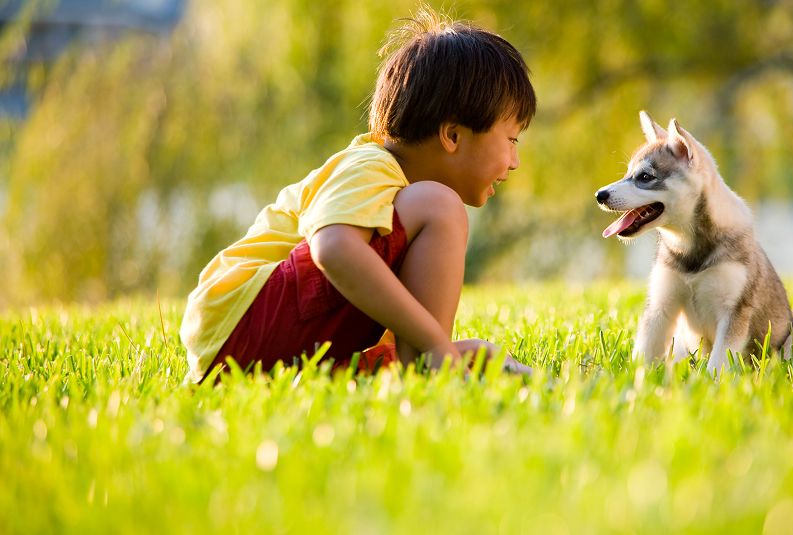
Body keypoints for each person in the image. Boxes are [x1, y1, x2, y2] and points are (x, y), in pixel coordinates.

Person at [179, 7, 536, 384]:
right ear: (452, 136)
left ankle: (423, 368)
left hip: (250, 353)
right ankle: (432, 365)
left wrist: (440, 348)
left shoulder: (399, 208)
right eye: (511, 140)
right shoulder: (371, 165)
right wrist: (435, 345)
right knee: (441, 205)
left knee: (432, 222)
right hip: (241, 325)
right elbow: (332, 248)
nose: (514, 162)